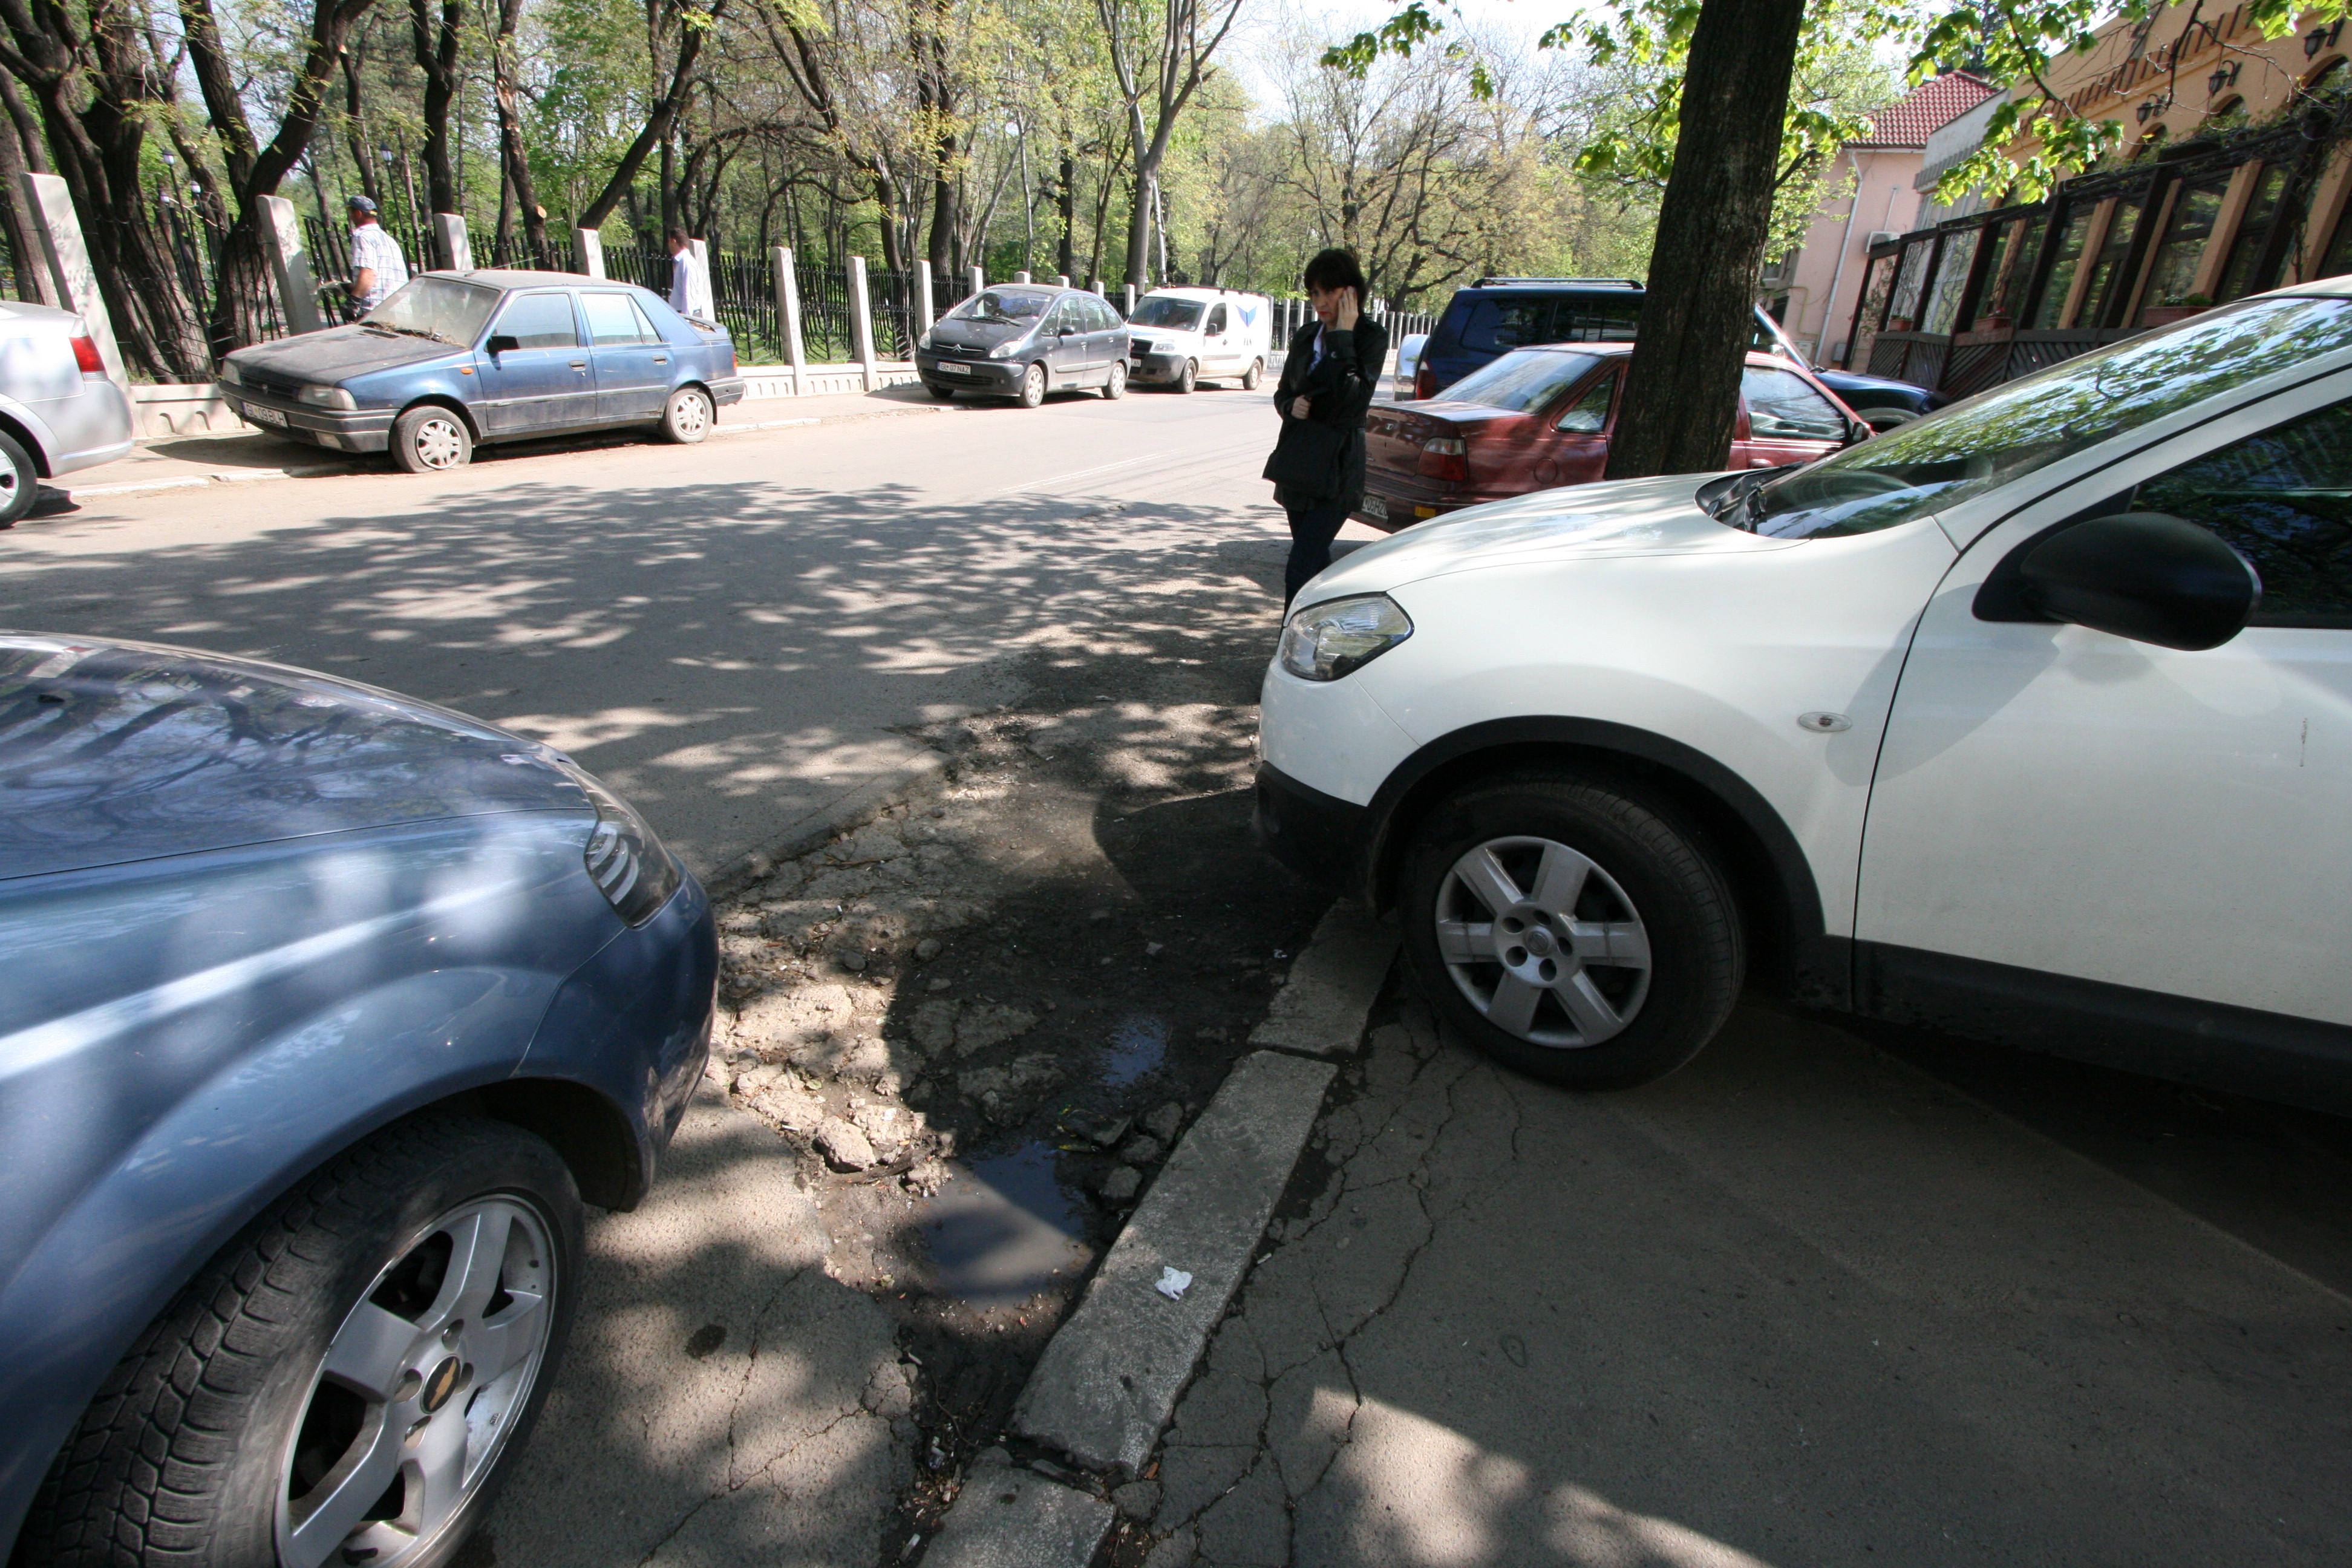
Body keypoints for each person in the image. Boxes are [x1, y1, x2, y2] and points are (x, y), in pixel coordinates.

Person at [1263, 248, 1389, 606]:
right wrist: (1291, 406)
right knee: (1317, 567)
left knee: (1300, 568)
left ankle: (1290, 650)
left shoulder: (1370, 337)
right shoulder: (1306, 336)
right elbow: (1283, 393)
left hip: (1337, 468)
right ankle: (1334, 637)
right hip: (1299, 462)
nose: (1320, 301)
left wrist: (1342, 337)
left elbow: (1354, 399)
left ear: (1351, 292)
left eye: (1329, 292)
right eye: (1315, 293)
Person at [343, 195, 408, 317]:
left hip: (377, 309)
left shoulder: (362, 236)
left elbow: (369, 272)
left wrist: (353, 301)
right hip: (400, 307)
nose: (350, 217)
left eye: (351, 213)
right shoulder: (388, 239)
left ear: (358, 213)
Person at [666, 227, 714, 321]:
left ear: (673, 241)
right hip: (680, 313)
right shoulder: (681, 262)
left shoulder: (686, 262)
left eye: (669, 242)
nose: (668, 245)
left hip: (684, 315)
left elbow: (689, 293)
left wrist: (686, 320)